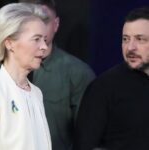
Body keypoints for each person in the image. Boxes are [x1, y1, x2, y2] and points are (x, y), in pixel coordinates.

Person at [73, 6, 149, 150]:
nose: (130, 47)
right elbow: (85, 145)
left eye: (140, 39)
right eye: (125, 39)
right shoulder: (103, 88)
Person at [28, 1, 96, 150]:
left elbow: (87, 136)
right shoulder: (7, 71)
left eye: (44, 20)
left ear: (56, 24)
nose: (37, 29)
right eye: (31, 21)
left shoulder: (78, 73)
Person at [0, 3, 52, 150]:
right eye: (36, 39)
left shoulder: (36, 93)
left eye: (45, 40)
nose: (44, 47)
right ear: (10, 43)